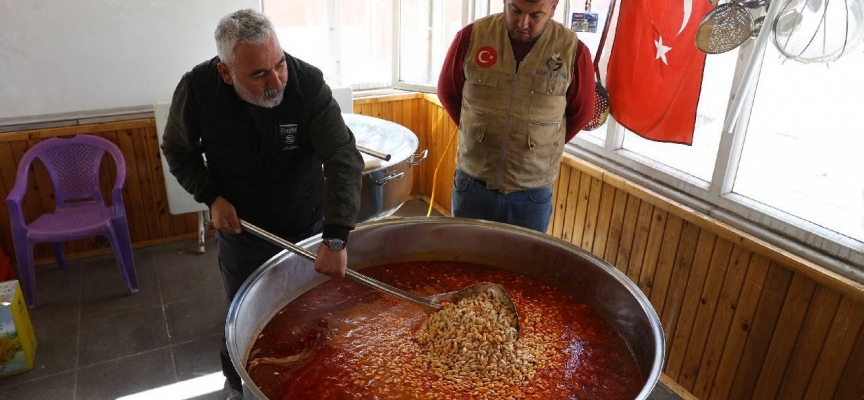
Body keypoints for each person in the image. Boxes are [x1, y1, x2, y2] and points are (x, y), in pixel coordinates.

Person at [160, 9, 363, 399]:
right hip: (243, 229)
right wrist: (210, 196)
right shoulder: (197, 89)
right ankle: (239, 386)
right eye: (259, 75)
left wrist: (336, 237)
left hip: (305, 224)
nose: (276, 81)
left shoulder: (308, 84)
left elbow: (342, 156)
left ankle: (313, 383)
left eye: (279, 64)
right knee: (244, 316)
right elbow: (177, 150)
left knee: (312, 311)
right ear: (226, 72)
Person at [437, 0, 595, 233]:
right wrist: (476, 132)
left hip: (531, 195)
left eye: (535, 15)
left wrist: (543, 146)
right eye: (515, 10)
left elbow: (582, 113)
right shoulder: (472, 37)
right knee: (464, 261)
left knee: (522, 266)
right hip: (472, 184)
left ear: (553, 7)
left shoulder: (573, 51)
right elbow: (448, 92)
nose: (522, 23)